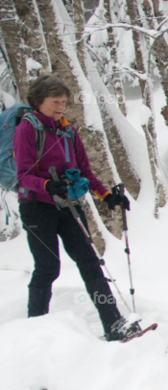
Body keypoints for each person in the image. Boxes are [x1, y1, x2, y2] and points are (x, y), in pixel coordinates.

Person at [16, 75, 135, 341]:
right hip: (36, 208)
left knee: (90, 263)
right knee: (48, 267)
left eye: (64, 102)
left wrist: (106, 196)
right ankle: (35, 331)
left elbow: (85, 171)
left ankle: (114, 324)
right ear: (38, 101)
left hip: (68, 206)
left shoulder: (68, 130)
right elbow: (22, 176)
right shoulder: (27, 129)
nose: (61, 107)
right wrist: (47, 185)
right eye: (55, 101)